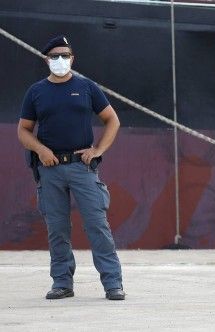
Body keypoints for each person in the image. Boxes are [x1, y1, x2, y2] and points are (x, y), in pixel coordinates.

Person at [17, 35, 125, 300]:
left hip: (82, 168)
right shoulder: (36, 92)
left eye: (65, 55)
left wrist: (98, 150)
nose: (60, 60)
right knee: (57, 229)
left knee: (97, 226)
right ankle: (62, 283)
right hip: (50, 169)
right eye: (55, 56)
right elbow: (24, 130)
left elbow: (112, 120)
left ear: (72, 58)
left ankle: (113, 284)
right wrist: (40, 150)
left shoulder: (87, 87)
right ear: (47, 60)